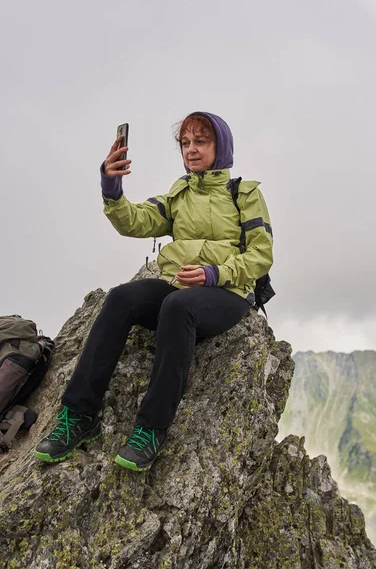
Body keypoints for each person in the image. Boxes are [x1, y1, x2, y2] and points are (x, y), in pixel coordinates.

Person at [34, 112, 273, 471]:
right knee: (121, 297)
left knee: (178, 307)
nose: (191, 150)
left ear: (220, 146)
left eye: (201, 141)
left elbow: (261, 254)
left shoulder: (245, 193)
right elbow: (136, 220)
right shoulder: (179, 194)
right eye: (185, 143)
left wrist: (215, 273)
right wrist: (111, 188)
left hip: (229, 293)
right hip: (181, 286)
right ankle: (80, 416)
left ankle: (151, 430)